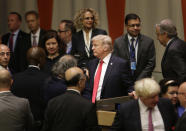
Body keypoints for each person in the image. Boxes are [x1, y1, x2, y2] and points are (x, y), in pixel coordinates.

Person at [42, 67, 100, 131]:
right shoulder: (88, 106)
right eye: (85, 80)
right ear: (80, 82)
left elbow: (46, 128)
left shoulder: (52, 102)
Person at [111, 78, 177, 131]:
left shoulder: (166, 104)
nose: (156, 99)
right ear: (141, 96)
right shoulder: (126, 110)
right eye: (152, 97)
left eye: (157, 95)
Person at [83, 35, 133, 103]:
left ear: (105, 48)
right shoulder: (91, 64)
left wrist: (132, 93)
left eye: (95, 45)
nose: (92, 48)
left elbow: (129, 86)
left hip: (111, 108)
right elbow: (88, 87)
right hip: (91, 107)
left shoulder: (120, 64)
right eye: (92, 45)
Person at [11, 47, 49, 131]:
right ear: (41, 59)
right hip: (40, 124)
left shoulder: (15, 78)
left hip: (19, 122)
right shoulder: (47, 79)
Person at [113, 13, 155, 81]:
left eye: (138, 25)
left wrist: (139, 80)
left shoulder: (148, 42)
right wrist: (127, 81)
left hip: (143, 82)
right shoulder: (118, 42)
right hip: (124, 82)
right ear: (126, 26)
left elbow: (151, 64)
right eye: (132, 25)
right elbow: (116, 63)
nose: (136, 28)